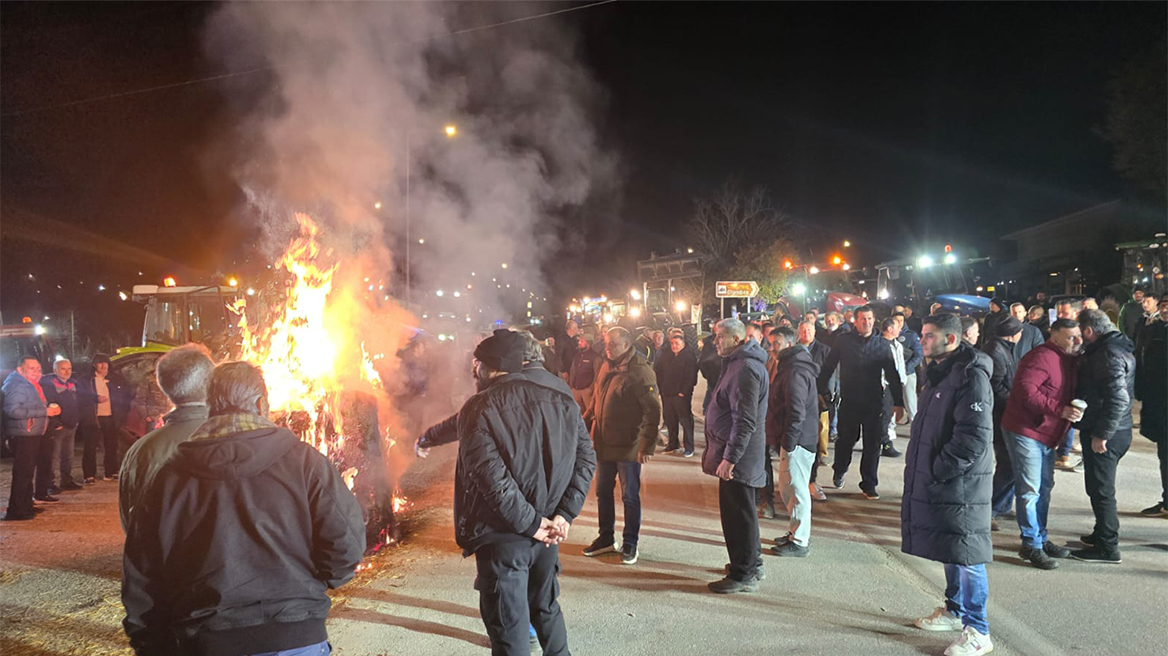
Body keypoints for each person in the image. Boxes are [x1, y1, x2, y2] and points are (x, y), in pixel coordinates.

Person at [122, 361, 365, 655]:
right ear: (262, 404)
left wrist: (151, 643)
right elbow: (346, 543)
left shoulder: (169, 477)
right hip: (295, 637)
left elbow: (142, 570)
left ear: (209, 406)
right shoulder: (305, 463)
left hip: (205, 640)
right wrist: (320, 581)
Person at [455, 330, 596, 655]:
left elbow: (491, 481)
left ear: (490, 366)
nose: (474, 370)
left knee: (510, 630)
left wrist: (535, 523)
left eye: (477, 364)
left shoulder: (479, 406)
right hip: (547, 535)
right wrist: (563, 514)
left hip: (506, 539)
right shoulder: (561, 398)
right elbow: (586, 458)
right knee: (545, 609)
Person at [903, 313, 995, 656]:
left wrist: (940, 469)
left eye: (928, 336)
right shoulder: (941, 373)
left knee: (968, 555)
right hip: (945, 482)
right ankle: (955, 611)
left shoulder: (971, 377)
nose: (922, 340)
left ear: (951, 340)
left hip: (962, 485)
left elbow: (973, 438)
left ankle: (979, 630)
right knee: (951, 550)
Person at [1000, 318, 1081, 569]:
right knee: (1030, 490)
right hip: (1026, 431)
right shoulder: (1041, 357)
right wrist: (1061, 410)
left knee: (1044, 486)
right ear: (1054, 337)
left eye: (1078, 336)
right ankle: (1031, 544)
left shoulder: (1069, 360)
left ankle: (1040, 537)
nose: (1077, 341)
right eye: (1071, 337)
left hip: (1047, 433)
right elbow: (1026, 391)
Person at [582, 327, 662, 565]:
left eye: (613, 344)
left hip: (628, 444)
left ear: (627, 344)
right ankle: (606, 538)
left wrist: (647, 445)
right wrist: (583, 422)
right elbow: (597, 397)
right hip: (604, 443)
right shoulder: (606, 364)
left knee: (629, 496)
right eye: (606, 343)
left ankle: (630, 543)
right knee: (603, 492)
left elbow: (653, 409)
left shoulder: (640, 370)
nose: (608, 348)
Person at [118, 344, 215, 532]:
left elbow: (130, 521)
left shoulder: (141, 451)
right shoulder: (241, 442)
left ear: (164, 388)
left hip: (162, 556)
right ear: (212, 383)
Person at [704, 319, 769, 593]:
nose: (715, 341)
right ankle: (750, 564)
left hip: (738, 458)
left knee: (738, 517)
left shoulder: (745, 369)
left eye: (720, 337)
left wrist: (730, 459)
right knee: (743, 514)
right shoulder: (736, 363)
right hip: (735, 454)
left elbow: (744, 421)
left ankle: (743, 573)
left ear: (736, 339)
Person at [817, 305, 904, 499]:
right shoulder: (843, 342)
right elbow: (828, 366)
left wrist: (898, 402)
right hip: (850, 401)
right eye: (863, 319)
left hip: (874, 402)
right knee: (847, 440)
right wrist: (821, 390)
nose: (867, 323)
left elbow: (892, 373)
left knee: (873, 444)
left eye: (870, 319)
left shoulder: (881, 344)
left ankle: (869, 483)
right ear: (855, 322)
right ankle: (839, 469)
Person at [1069, 309, 1135, 564]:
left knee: (1102, 490)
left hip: (1108, 432)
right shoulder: (1114, 346)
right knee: (1097, 487)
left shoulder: (1108, 354)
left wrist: (1101, 434)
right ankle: (1101, 534)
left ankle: (1108, 547)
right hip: (1115, 429)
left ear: (1088, 331)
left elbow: (1119, 398)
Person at [765, 326, 818, 557]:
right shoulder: (791, 366)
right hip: (795, 438)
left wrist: (789, 442)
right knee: (790, 487)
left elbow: (796, 411)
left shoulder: (795, 370)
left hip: (797, 440)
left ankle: (799, 541)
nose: (771, 348)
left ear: (789, 343)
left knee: (796, 489)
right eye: (770, 343)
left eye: (776, 343)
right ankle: (795, 533)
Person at [3, 356, 60, 520]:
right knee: (22, 473)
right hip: (23, 435)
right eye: (32, 368)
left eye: (38, 369)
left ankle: (26, 506)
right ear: (20, 370)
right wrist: (45, 412)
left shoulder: (30, 384)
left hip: (32, 434)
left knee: (27, 473)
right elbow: (12, 411)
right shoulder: (17, 385)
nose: (36, 372)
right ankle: (16, 510)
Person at [983, 317, 1023, 527]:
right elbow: (995, 385)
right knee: (1009, 464)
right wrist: (1012, 399)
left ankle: (1003, 505)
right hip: (1000, 414)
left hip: (1004, 413)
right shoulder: (996, 352)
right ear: (1012, 334)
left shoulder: (1002, 348)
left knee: (1009, 463)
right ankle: (989, 508)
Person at [1134, 298, 1167, 517]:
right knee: (1164, 454)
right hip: (1159, 403)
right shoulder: (1155, 330)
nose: (1165, 309)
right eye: (1164, 304)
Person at [79, 354, 130, 482]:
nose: (103, 366)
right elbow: (80, 396)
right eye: (100, 363)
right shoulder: (86, 380)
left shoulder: (116, 379)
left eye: (105, 363)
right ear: (94, 365)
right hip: (93, 417)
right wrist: (95, 399)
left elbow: (125, 396)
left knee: (111, 445)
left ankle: (111, 471)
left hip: (111, 417)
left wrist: (123, 412)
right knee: (90, 446)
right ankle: (89, 474)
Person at [797, 319, 831, 500]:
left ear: (815, 332)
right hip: (797, 401)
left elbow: (831, 376)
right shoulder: (793, 351)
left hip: (818, 400)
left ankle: (812, 479)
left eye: (809, 330)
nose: (806, 333)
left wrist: (827, 397)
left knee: (817, 439)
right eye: (803, 330)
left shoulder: (824, 351)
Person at [655, 331, 698, 456]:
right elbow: (659, 371)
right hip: (667, 394)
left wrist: (683, 392)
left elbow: (690, 377)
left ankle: (689, 447)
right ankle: (673, 444)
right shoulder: (666, 355)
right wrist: (661, 388)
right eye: (672, 343)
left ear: (683, 344)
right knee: (670, 420)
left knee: (685, 421)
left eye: (677, 343)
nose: (674, 346)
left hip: (681, 395)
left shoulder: (689, 357)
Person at [42, 358, 82, 493]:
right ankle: (50, 484)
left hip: (71, 425)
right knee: (54, 456)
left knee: (68, 455)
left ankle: (67, 480)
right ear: (55, 370)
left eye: (69, 368)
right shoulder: (48, 385)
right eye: (63, 369)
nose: (67, 372)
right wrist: (56, 424)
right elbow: (48, 405)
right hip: (58, 427)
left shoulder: (73, 384)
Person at [879, 317, 907, 458]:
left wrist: (902, 380)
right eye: (897, 327)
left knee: (891, 415)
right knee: (884, 415)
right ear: (890, 329)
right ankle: (886, 444)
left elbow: (899, 364)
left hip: (895, 384)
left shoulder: (897, 345)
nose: (900, 329)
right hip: (884, 386)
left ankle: (886, 440)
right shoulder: (879, 345)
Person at [893, 313, 924, 425]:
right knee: (892, 402)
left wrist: (906, 368)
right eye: (896, 320)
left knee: (910, 401)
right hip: (892, 374)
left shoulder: (910, 336)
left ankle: (915, 425)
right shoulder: (888, 334)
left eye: (901, 320)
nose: (899, 322)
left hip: (908, 373)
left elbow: (918, 355)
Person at [568, 334, 601, 411]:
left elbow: (597, 375)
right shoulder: (577, 355)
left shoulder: (595, 357)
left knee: (590, 412)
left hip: (587, 391)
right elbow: (572, 371)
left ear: (588, 343)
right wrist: (571, 386)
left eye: (582, 341)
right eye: (579, 340)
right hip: (576, 389)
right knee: (579, 412)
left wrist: (591, 388)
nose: (579, 342)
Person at [698, 329, 723, 413]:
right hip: (713, 375)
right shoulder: (708, 342)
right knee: (711, 391)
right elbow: (703, 361)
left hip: (720, 375)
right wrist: (707, 374)